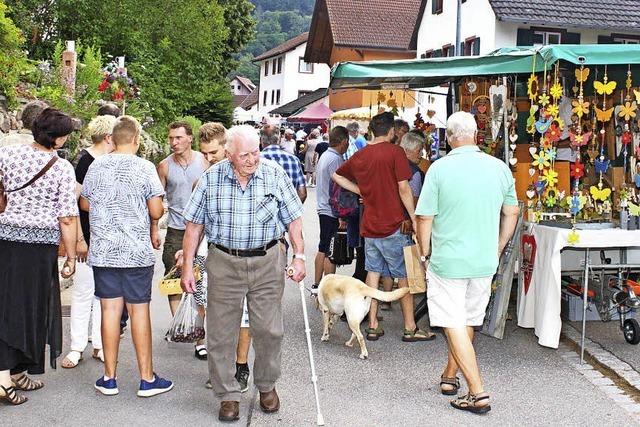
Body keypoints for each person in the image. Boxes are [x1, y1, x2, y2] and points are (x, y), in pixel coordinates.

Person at [181, 125, 305, 422]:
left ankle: (266, 385)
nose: (252, 160)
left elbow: (295, 220)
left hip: (267, 260)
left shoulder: (274, 173)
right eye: (245, 155)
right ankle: (228, 395)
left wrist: (299, 256)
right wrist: (187, 266)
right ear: (229, 154)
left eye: (255, 153)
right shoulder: (211, 178)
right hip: (224, 262)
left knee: (269, 330)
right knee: (221, 333)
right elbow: (194, 227)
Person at [415, 111, 519, 414]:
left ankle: (477, 391)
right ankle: (450, 376)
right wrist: (498, 246)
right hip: (484, 259)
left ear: (448, 138)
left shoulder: (439, 169)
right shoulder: (499, 168)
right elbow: (511, 212)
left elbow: (425, 217)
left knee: (453, 321)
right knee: (467, 319)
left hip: (448, 259)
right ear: (476, 135)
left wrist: (424, 253)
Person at [81, 115, 173, 397]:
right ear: (135, 139)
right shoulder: (144, 167)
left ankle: (109, 377)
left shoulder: (96, 166)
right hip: (135, 252)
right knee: (139, 311)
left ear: (112, 139)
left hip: (105, 251)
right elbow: (156, 211)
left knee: (109, 311)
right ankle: (147, 379)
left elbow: (84, 203)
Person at [333, 111, 433, 343]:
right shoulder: (395, 152)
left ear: (371, 131)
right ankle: (410, 327)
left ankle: (373, 324)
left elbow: (336, 175)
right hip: (393, 224)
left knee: (373, 274)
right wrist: (414, 219)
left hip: (369, 225)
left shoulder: (361, 154)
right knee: (403, 276)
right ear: (390, 132)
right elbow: (404, 188)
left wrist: (361, 191)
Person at [0, 108, 78, 405]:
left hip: (6, 240)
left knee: (7, 304)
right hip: (39, 248)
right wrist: (70, 256)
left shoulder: (8, 155)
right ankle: (4, 379)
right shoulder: (60, 168)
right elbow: (68, 217)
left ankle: (18, 370)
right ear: (57, 138)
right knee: (29, 308)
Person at [194, 122, 253, 392]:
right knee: (217, 316)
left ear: (227, 148)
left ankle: (241, 366)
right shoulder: (204, 179)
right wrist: (189, 249)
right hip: (210, 255)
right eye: (204, 153)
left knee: (243, 316)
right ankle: (223, 368)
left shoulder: (249, 174)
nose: (209, 158)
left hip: (243, 257)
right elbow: (196, 223)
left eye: (214, 152)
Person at [61, 115, 117, 369]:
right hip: (88, 236)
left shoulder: (109, 161)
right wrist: (81, 240)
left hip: (106, 237)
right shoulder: (85, 162)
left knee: (103, 293)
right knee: (84, 292)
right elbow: (73, 205)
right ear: (108, 138)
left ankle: (98, 343)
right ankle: (76, 346)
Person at [157, 121, 209, 358]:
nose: (174, 142)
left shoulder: (204, 161)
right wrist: (152, 229)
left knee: (200, 284)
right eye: (170, 138)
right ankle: (184, 327)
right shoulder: (164, 166)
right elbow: (157, 199)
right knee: (174, 281)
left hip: (203, 230)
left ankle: (200, 337)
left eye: (178, 137)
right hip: (176, 230)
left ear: (190, 138)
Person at [312, 126, 350, 294]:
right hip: (331, 210)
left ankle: (317, 283)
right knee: (330, 250)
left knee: (323, 246)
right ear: (343, 142)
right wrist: (342, 215)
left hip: (323, 207)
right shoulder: (335, 159)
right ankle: (327, 289)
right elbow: (339, 188)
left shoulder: (325, 155)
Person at [261, 131, 307, 203]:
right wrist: (294, 211)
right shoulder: (294, 160)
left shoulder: (255, 160)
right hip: (289, 208)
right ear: (279, 140)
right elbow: (302, 193)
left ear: (261, 140)